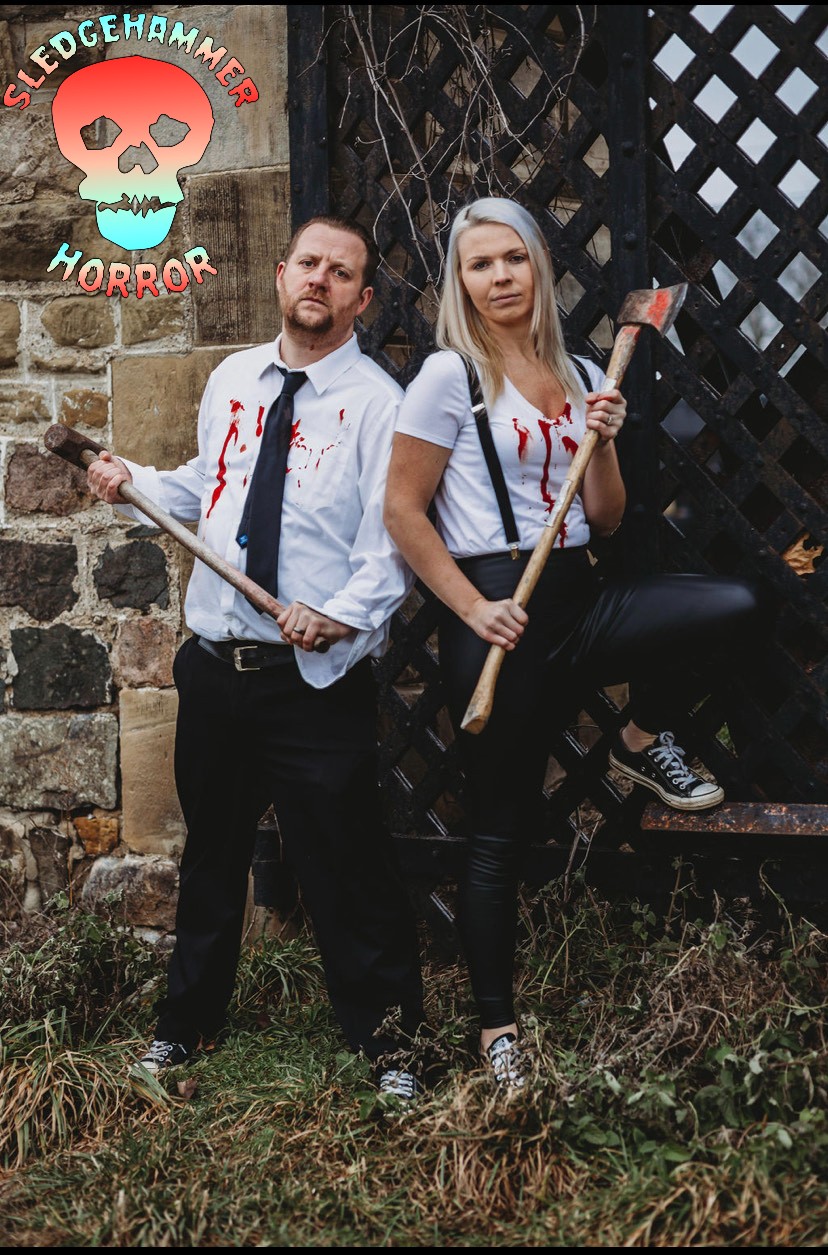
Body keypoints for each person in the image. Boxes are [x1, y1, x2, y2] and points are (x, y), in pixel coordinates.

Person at [383, 196, 771, 1092]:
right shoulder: (449, 377)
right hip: (495, 610)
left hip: (579, 597)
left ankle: (640, 737)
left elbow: (606, 517)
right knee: (500, 833)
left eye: (513, 258)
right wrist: (473, 612)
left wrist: (600, 442)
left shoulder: (584, 364)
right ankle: (497, 1032)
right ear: (461, 282)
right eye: (480, 264)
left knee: (735, 601)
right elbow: (403, 512)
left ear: (540, 267)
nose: (501, 277)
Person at [87, 215, 426, 1102]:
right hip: (215, 671)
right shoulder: (235, 377)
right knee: (210, 859)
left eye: (340, 271)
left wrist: (340, 618)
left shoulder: (378, 405)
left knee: (346, 864)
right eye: (308, 263)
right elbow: (206, 487)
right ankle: (184, 1031)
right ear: (282, 277)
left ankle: (390, 1046)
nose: (320, 279)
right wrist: (135, 484)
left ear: (362, 297)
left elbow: (386, 552)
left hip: (311, 680)